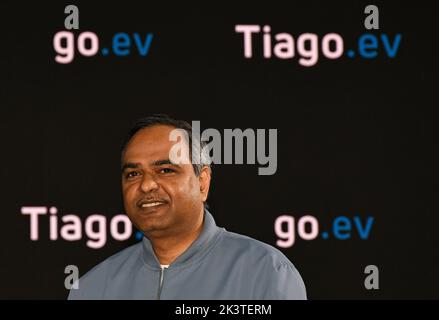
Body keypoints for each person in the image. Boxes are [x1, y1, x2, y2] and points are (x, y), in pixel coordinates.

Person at [68, 114, 306, 300]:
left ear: (202, 182)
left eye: (166, 170)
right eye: (133, 173)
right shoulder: (92, 288)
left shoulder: (264, 273)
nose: (147, 184)